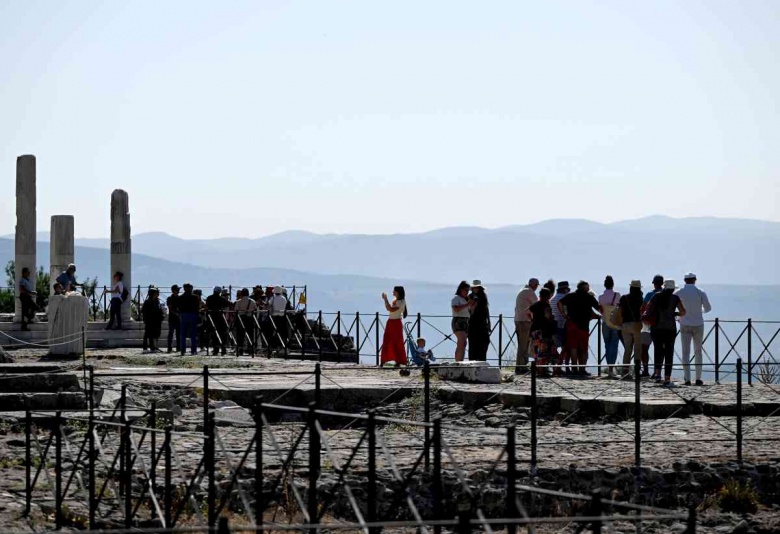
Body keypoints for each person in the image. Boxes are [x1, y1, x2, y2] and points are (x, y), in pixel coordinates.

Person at [647, 280, 686, 386]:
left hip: (656, 328)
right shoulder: (675, 298)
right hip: (670, 328)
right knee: (669, 352)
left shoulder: (656, 296)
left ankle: (658, 374)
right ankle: (667, 378)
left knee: (658, 350)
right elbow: (683, 312)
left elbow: (648, 308)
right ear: (673, 289)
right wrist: (674, 313)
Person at [675, 272, 711, 386]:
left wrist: (678, 316)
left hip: (684, 323)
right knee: (698, 351)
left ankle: (687, 379)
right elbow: (708, 308)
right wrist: (699, 312)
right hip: (698, 324)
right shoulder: (700, 292)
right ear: (695, 280)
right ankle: (698, 378)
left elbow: (673, 304)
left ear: (685, 280)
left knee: (685, 352)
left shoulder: (679, 292)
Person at [558, 281, 600, 376]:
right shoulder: (589, 297)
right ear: (585, 288)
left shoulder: (570, 296)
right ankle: (582, 369)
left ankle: (574, 369)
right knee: (583, 348)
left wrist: (564, 315)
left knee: (573, 347)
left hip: (571, 324)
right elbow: (598, 308)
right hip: (583, 326)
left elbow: (560, 303)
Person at [529, 288, 559, 376]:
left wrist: (533, 320)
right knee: (547, 350)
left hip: (535, 330)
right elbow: (547, 317)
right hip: (544, 331)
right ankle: (547, 370)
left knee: (537, 350)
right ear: (548, 296)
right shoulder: (546, 306)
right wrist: (552, 319)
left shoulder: (534, 305)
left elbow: (528, 312)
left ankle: (539, 370)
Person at [619, 280, 645, 377]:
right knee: (637, 348)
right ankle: (637, 371)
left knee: (627, 348)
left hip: (625, 325)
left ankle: (625, 371)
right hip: (636, 324)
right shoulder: (640, 299)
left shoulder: (624, 298)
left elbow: (620, 312)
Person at [598, 276, 622, 378]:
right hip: (615, 323)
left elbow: (600, 310)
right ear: (613, 285)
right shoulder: (617, 295)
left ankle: (609, 368)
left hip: (605, 323)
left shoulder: (600, 297)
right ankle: (611, 369)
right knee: (614, 346)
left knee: (607, 345)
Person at [514, 278, 539, 372]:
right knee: (523, 345)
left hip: (519, 319)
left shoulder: (523, 290)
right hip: (525, 320)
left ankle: (522, 364)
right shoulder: (529, 291)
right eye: (536, 285)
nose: (537, 287)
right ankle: (520, 366)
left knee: (523, 344)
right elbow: (537, 303)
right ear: (533, 284)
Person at [642, 275, 665, 380]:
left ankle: (646, 370)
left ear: (654, 283)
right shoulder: (667, 295)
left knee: (644, 348)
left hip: (649, 324)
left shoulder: (649, 294)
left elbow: (643, 308)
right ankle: (658, 371)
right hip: (664, 325)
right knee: (660, 349)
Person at [380, 286, 408, 366]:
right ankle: (384, 360)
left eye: (394, 291)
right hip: (391, 322)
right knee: (387, 340)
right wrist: (385, 300)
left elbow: (391, 309)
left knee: (397, 342)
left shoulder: (401, 302)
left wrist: (385, 299)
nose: (393, 292)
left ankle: (399, 360)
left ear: (398, 292)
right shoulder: (395, 301)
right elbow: (388, 308)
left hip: (396, 323)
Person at [468, 280, 491, 362]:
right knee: (473, 344)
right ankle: (473, 361)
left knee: (484, 342)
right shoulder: (470, 297)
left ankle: (482, 361)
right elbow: (470, 310)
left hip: (482, 323)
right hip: (473, 323)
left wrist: (489, 324)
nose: (475, 289)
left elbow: (486, 311)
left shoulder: (483, 297)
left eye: (477, 288)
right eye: (474, 288)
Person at [550, 281, 571, 373]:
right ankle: (564, 366)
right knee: (565, 347)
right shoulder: (565, 298)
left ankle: (556, 366)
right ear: (565, 289)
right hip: (563, 325)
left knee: (554, 347)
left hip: (553, 326)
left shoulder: (552, 299)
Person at [206, 286, 232, 356]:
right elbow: (229, 303)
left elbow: (207, 306)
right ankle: (223, 349)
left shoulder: (209, 298)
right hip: (221, 317)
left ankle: (216, 350)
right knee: (222, 334)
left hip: (212, 317)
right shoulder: (221, 299)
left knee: (214, 334)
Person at [451, 281, 472, 362]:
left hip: (466, 321)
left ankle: (460, 360)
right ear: (460, 289)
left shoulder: (465, 299)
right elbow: (456, 309)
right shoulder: (456, 298)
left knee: (463, 343)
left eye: (468, 290)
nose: (467, 292)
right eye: (465, 290)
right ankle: (458, 362)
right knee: (462, 342)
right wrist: (468, 304)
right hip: (458, 321)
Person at [234, 288, 258, 356]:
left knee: (241, 335)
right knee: (250, 335)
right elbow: (255, 309)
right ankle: (250, 350)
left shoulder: (239, 301)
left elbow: (236, 310)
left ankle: (240, 350)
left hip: (241, 319)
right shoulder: (252, 301)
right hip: (249, 319)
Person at [178, 283, 200, 356]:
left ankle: (183, 350)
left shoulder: (180, 297)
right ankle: (193, 350)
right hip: (193, 315)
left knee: (183, 334)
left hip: (184, 315)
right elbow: (198, 307)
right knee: (193, 334)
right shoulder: (195, 297)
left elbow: (179, 308)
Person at [142, 286, 165, 353]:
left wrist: (162, 315)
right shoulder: (147, 302)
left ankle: (154, 347)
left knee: (155, 334)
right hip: (149, 320)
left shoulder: (157, 301)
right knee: (147, 334)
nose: (157, 294)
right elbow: (144, 312)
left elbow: (159, 310)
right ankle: (145, 348)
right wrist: (146, 320)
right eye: (156, 293)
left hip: (157, 321)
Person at [166, 285, 181, 353]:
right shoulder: (170, 298)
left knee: (178, 334)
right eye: (177, 290)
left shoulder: (180, 298)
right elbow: (170, 308)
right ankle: (169, 347)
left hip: (178, 319)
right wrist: (177, 314)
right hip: (172, 318)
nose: (178, 291)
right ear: (173, 290)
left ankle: (178, 347)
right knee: (171, 333)